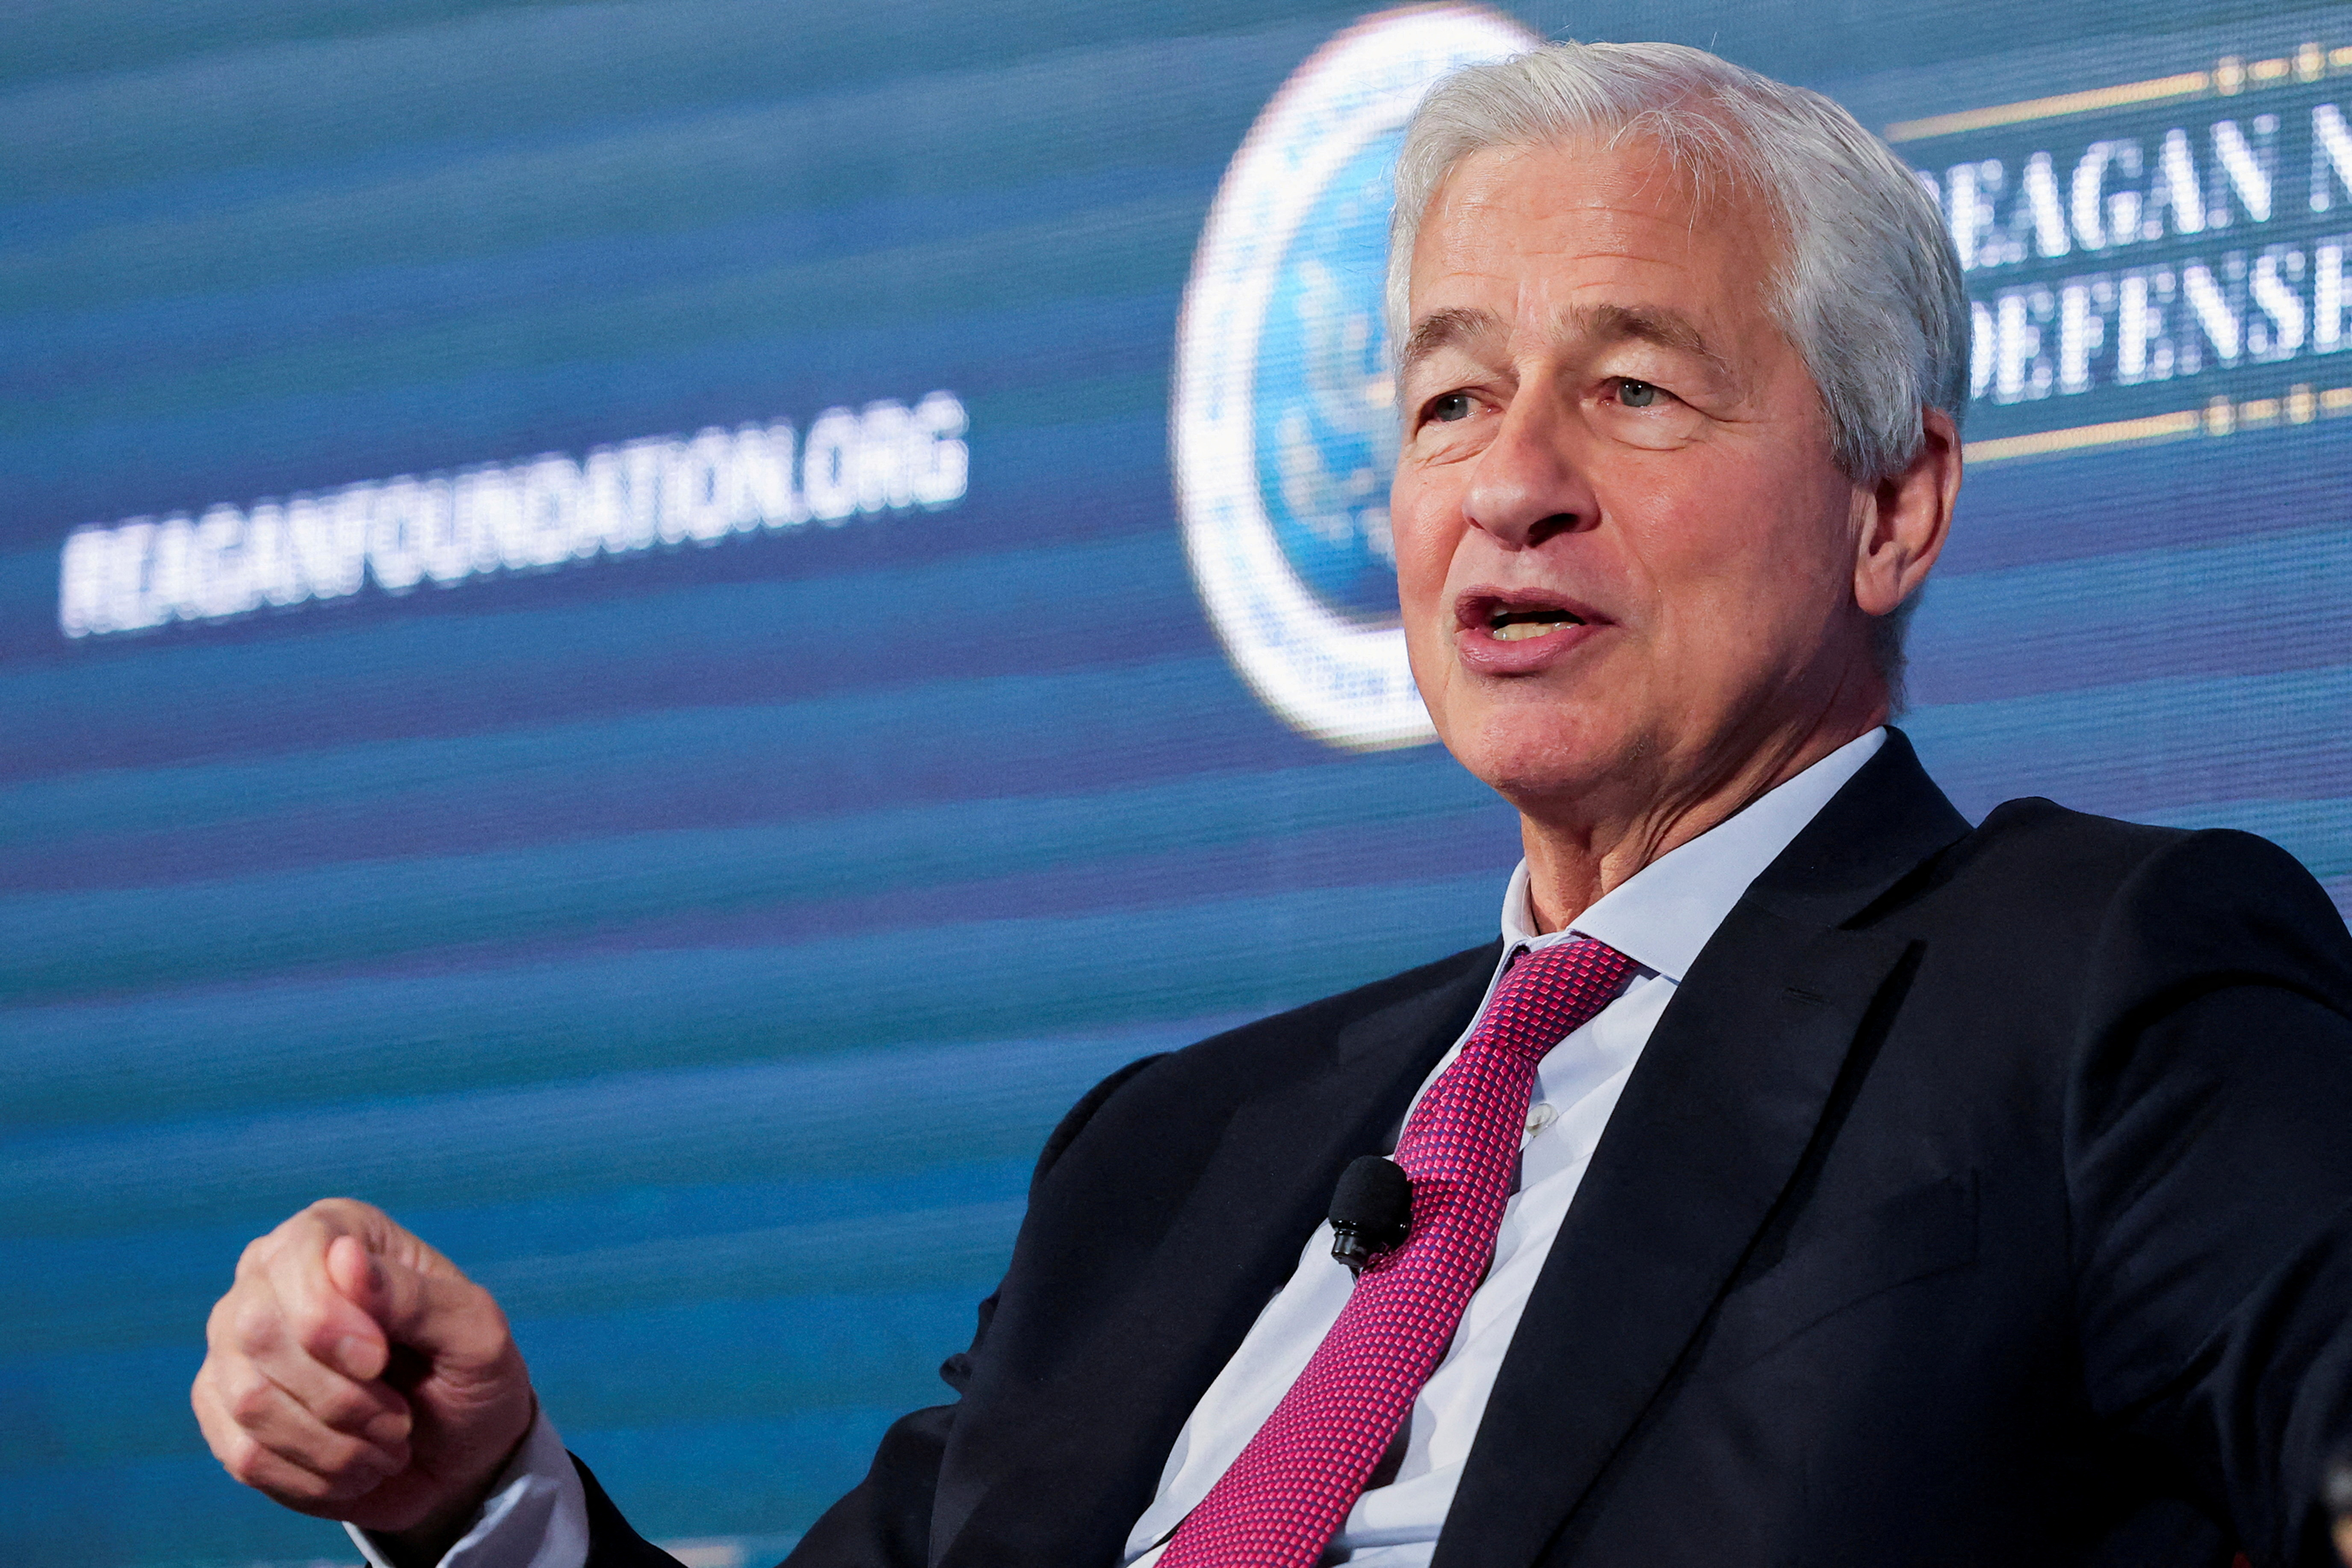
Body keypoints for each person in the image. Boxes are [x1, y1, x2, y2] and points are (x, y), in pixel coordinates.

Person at [192, 40, 2352, 1568]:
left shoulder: (2094, 983)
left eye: (1628, 387)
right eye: (1448, 397)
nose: (1510, 480)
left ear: (1892, 505)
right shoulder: (1165, 1157)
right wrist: (477, 1495)